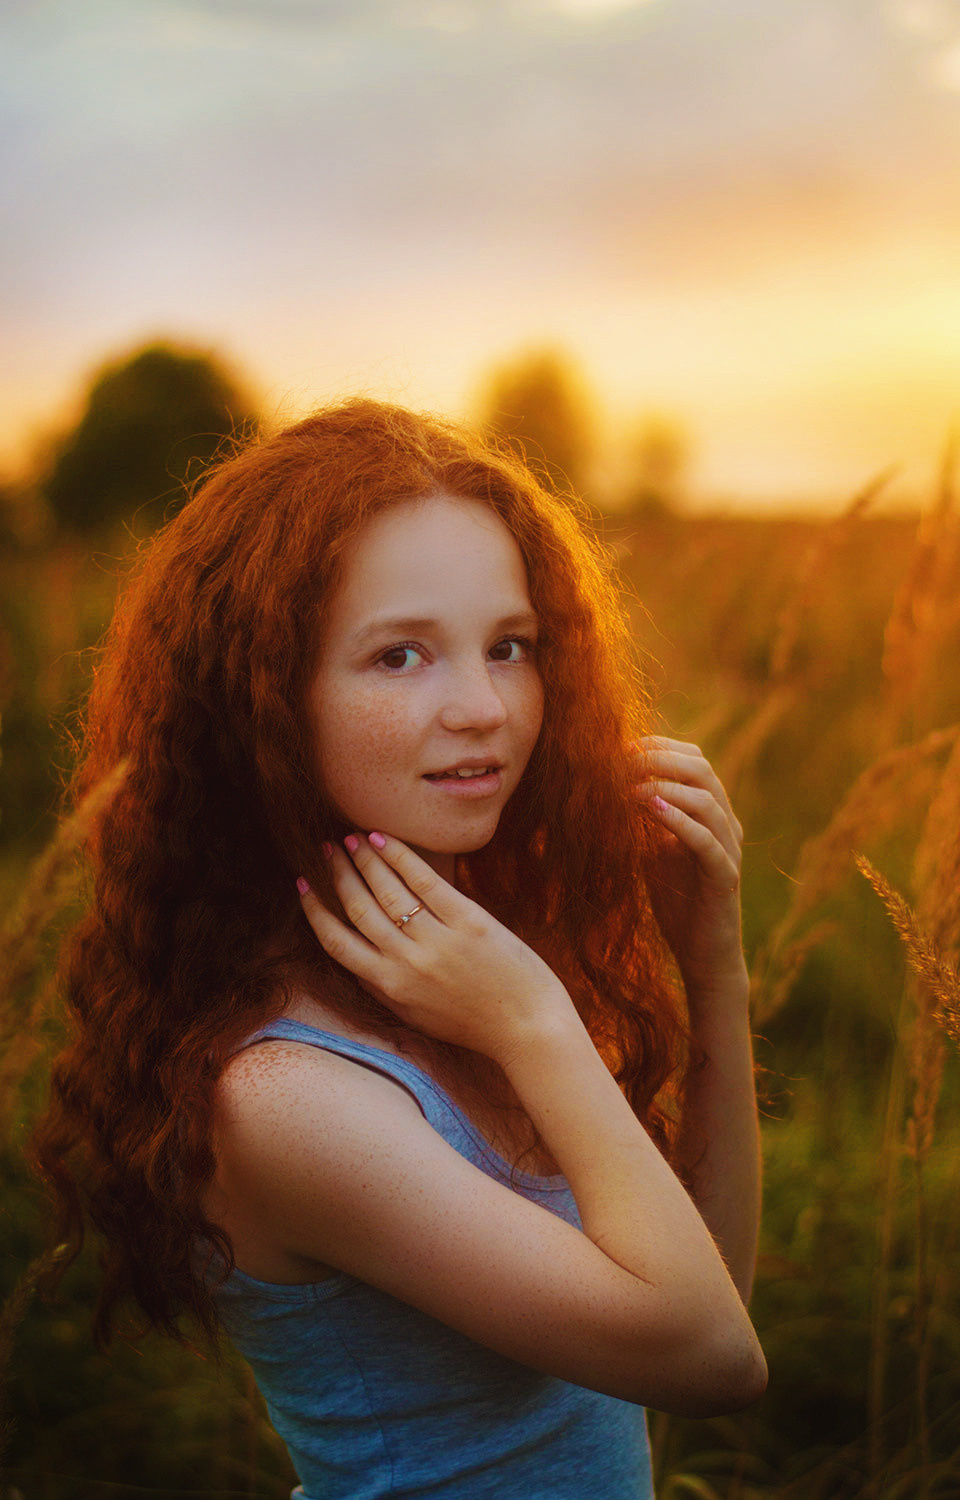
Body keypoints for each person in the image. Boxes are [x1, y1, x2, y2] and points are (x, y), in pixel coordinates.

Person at [33, 399, 766, 1499]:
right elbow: (707, 1361)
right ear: (264, 698)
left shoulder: (451, 970)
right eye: (400, 655)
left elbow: (708, 1287)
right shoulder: (285, 1095)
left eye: (509, 647)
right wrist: (533, 1021)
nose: (483, 707)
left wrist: (711, 974)